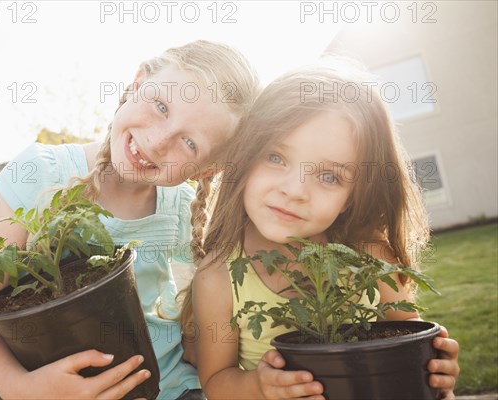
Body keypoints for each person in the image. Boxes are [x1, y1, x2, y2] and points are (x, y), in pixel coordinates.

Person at [0, 40, 260, 400]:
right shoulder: (40, 174)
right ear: (137, 82)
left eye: (189, 143)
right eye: (161, 106)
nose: (158, 141)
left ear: (207, 169)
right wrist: (20, 387)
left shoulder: (178, 206)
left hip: (172, 389)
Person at [182, 63, 460, 399]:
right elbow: (217, 382)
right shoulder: (218, 277)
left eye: (329, 177)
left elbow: (410, 340)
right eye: (276, 157)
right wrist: (259, 385)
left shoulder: (371, 257)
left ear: (351, 197)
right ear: (245, 156)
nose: (295, 190)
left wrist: (436, 367)